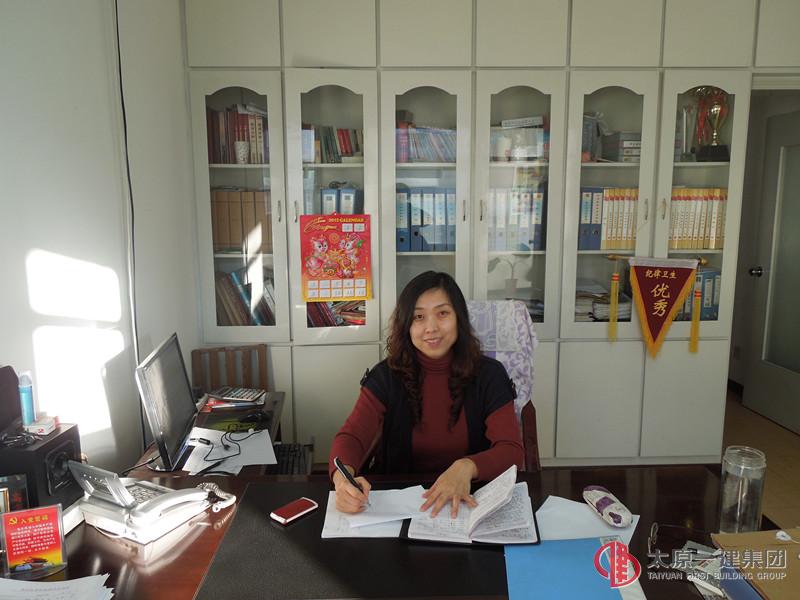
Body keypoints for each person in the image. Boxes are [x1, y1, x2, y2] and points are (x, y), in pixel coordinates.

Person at [329, 271, 524, 519]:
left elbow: (511, 450)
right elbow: (352, 436)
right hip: (399, 507)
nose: (431, 328)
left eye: (442, 313)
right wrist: (342, 479)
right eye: (418, 317)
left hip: (469, 502)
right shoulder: (386, 376)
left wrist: (467, 467)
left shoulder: (489, 375)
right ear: (407, 325)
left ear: (459, 318)